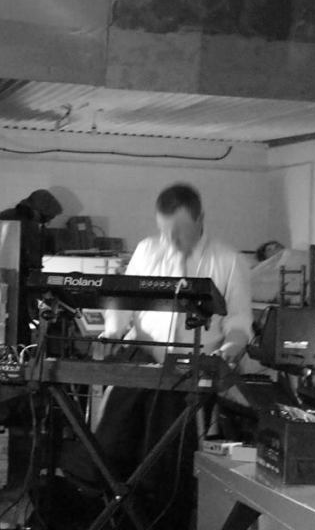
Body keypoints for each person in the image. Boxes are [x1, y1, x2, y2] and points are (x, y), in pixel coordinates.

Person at [61, 183, 252, 529]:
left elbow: (239, 323)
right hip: (142, 361)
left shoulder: (228, 260)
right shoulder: (148, 250)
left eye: (180, 232)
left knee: (165, 465)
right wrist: (113, 330)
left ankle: (159, 521)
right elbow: (123, 302)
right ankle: (111, 515)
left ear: (201, 219)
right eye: (166, 232)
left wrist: (227, 353)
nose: (172, 241)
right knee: (113, 447)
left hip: (189, 373)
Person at [0, 189, 63, 345]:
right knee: (19, 324)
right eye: (47, 218)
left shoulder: (5, 215)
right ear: (39, 211)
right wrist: (38, 284)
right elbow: (32, 260)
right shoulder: (28, 225)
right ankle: (20, 351)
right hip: (16, 281)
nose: (47, 222)